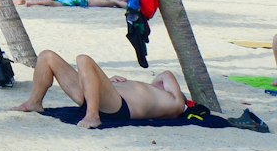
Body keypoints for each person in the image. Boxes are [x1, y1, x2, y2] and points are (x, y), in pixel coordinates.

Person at [14, 50, 187, 127]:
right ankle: (34, 102)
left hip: (119, 107)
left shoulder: (176, 103)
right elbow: (161, 79)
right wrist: (108, 82)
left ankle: (92, 116)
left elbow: (166, 74)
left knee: (83, 59)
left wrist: (157, 85)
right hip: (100, 97)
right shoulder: (154, 93)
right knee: (47, 56)